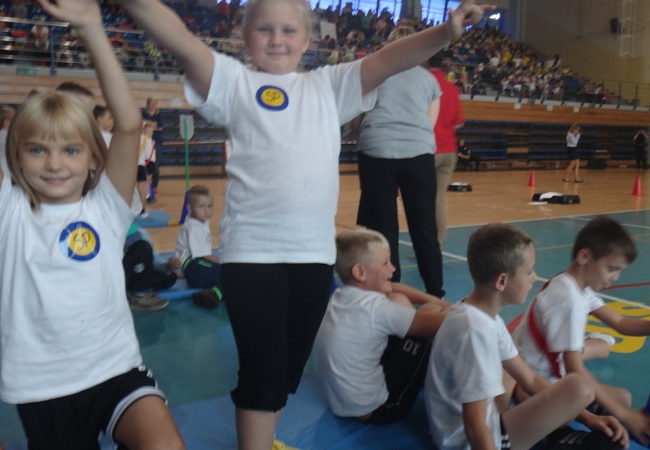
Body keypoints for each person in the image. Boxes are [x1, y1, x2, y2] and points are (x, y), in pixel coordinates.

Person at [122, 0, 488, 447]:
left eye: (288, 30)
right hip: (253, 256)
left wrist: (447, 30)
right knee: (262, 373)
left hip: (313, 256)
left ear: (308, 39)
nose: (277, 39)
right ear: (244, 37)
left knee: (289, 371)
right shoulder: (235, 82)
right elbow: (181, 41)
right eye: (264, 29)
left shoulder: (329, 86)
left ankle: (265, 438)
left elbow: (391, 58)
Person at [0, 0, 184, 447]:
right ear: (16, 156)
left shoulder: (105, 208)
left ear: (93, 158)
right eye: (37, 150)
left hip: (116, 369)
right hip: (43, 389)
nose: (54, 164)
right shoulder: (6, 216)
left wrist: (90, 27)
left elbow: (128, 124)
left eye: (70, 150)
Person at [425, 223, 629, 450]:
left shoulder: (481, 314)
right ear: (502, 281)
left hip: (479, 428)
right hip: (470, 442)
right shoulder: (475, 333)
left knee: (580, 390)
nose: (535, 277)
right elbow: (475, 425)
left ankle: (562, 433)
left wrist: (589, 419)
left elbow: (529, 378)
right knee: (582, 389)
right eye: (529, 271)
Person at [511, 216, 650, 446]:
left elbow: (621, 323)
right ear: (584, 257)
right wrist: (623, 415)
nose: (615, 277)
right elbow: (575, 370)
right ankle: (558, 435)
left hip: (553, 380)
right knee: (612, 414)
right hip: (531, 389)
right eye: (611, 269)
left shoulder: (575, 284)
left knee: (623, 398)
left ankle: (575, 418)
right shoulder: (569, 300)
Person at [316, 229, 449, 423]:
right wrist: (467, 307)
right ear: (360, 272)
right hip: (380, 408)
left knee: (399, 299)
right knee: (432, 317)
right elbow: (442, 322)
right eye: (386, 263)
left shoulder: (339, 296)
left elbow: (394, 289)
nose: (392, 268)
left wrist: (442, 303)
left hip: (341, 403)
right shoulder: (376, 309)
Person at [355, 26, 445, 298]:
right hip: (417, 151)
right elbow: (430, 124)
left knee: (382, 226)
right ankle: (434, 291)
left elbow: (358, 115)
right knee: (424, 225)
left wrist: (361, 133)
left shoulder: (374, 71)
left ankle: (389, 288)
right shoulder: (429, 80)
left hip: (376, 149)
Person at [427, 50, 465, 248]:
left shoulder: (423, 84)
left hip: (428, 149)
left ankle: (424, 243)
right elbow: (458, 123)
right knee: (438, 200)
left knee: (421, 200)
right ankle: (436, 243)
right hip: (449, 149)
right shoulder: (452, 88)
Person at [175, 185, 223, 309]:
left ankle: (214, 293)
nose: (206, 211)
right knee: (227, 272)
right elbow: (205, 256)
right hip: (195, 268)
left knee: (228, 274)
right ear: (189, 207)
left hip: (194, 268)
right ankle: (212, 296)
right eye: (201, 207)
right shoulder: (194, 227)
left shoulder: (199, 221)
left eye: (209, 206)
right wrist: (223, 262)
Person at [123, 220, 179, 311]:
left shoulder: (139, 231)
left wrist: (168, 266)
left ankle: (134, 291)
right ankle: (139, 297)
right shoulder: (107, 231)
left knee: (170, 277)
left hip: (134, 275)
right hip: (117, 277)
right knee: (142, 247)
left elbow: (155, 260)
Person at [141, 97, 164, 203]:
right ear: (147, 104)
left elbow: (160, 127)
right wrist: (152, 124)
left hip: (156, 142)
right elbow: (141, 124)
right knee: (144, 165)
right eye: (150, 103)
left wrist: (147, 123)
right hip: (144, 142)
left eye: (154, 104)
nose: (152, 105)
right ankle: (144, 188)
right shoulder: (142, 113)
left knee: (155, 165)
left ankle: (154, 186)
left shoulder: (159, 115)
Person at [0, 106, 14, 175]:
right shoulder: (3, 134)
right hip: (5, 167)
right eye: (13, 121)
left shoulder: (5, 134)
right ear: (6, 122)